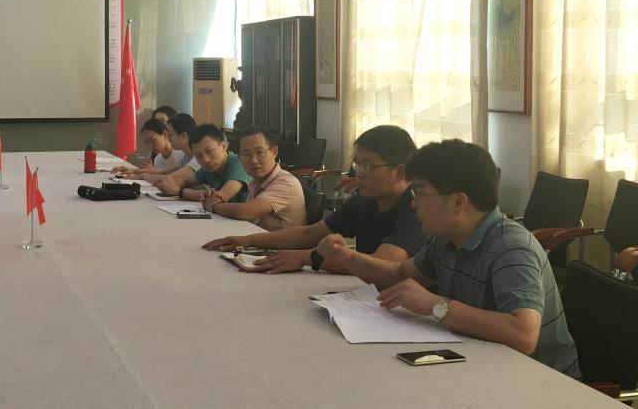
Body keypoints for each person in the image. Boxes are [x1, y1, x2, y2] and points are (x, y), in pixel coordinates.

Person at [316, 139, 580, 376]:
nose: (413, 203)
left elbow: (523, 335)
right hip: (479, 363)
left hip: (539, 382)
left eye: (419, 193)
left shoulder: (512, 248)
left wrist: (435, 305)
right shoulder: (446, 237)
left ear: (458, 203)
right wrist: (347, 256)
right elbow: (399, 275)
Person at [202, 125, 424, 274]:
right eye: (357, 164)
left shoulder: (418, 208)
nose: (358, 173)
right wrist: (247, 240)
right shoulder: (364, 201)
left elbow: (385, 263)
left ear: (400, 172)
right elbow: (308, 234)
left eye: (368, 166)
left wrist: (308, 258)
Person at [201, 126, 305, 229]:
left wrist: (214, 205)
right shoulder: (255, 180)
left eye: (260, 152)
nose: (254, 160)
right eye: (247, 154)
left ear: (274, 152)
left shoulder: (286, 182)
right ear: (240, 158)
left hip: (279, 240)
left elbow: (246, 212)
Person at [147, 123, 248, 203]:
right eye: (199, 156)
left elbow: (218, 198)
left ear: (224, 146)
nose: (205, 160)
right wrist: (165, 184)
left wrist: (180, 191)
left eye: (209, 151)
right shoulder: (209, 168)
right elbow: (186, 181)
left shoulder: (238, 164)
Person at [112, 119, 185, 177]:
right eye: (148, 143)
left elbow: (166, 175)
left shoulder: (180, 155)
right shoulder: (157, 159)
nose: (151, 145)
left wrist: (134, 172)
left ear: (165, 134)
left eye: (153, 140)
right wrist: (133, 171)